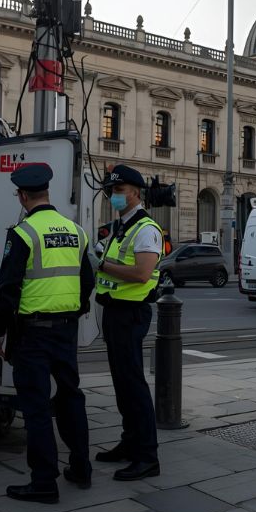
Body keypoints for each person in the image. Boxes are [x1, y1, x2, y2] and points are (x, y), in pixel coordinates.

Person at [0, 163, 93, 504]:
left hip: (31, 333)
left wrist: (0, 331)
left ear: (22, 196)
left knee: (35, 408)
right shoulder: (75, 230)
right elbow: (87, 280)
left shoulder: (23, 233)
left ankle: (44, 481)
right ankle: (81, 468)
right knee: (70, 397)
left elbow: (8, 288)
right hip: (65, 329)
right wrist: (73, 313)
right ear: (46, 192)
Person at [92, 164, 162, 481]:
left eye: (118, 191)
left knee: (133, 385)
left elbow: (141, 274)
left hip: (130, 313)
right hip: (114, 311)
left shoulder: (146, 228)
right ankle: (129, 442)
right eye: (111, 192)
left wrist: (101, 263)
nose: (113, 196)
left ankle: (147, 457)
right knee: (122, 385)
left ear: (135, 192)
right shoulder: (121, 226)